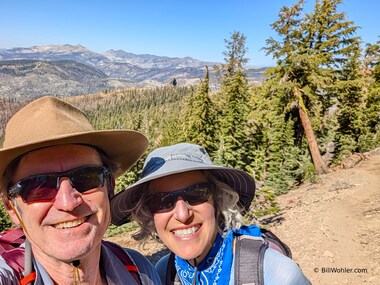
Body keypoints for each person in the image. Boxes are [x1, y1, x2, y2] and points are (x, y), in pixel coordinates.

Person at [0, 96, 162, 284]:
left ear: (109, 186)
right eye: (39, 185)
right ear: (11, 206)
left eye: (87, 178)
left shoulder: (140, 271)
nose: (68, 203)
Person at [111, 142, 311, 285]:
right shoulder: (164, 272)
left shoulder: (275, 274)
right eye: (162, 201)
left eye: (196, 194)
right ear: (149, 214)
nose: (182, 214)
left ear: (217, 201)